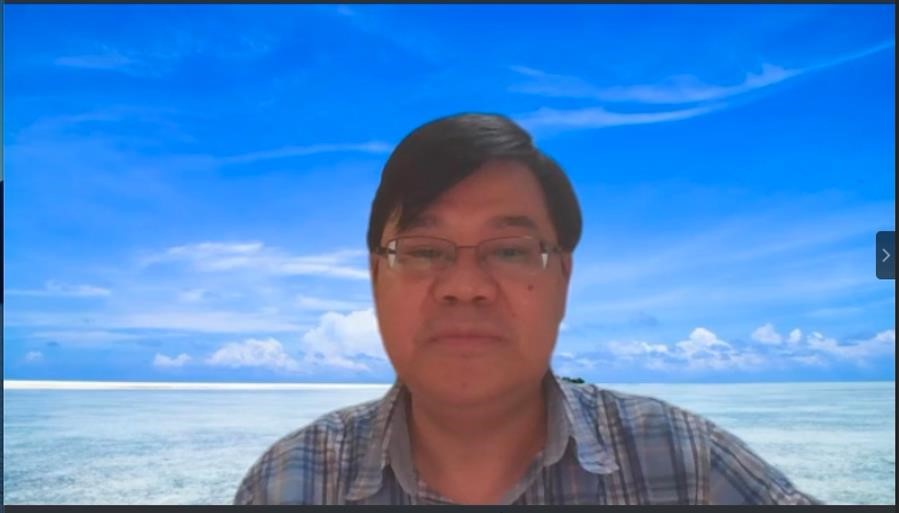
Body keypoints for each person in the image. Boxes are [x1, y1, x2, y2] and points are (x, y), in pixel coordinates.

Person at [234, 113, 819, 505]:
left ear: (564, 276)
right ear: (374, 276)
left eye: (511, 250)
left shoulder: (682, 461)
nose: (466, 287)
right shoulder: (295, 482)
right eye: (424, 250)